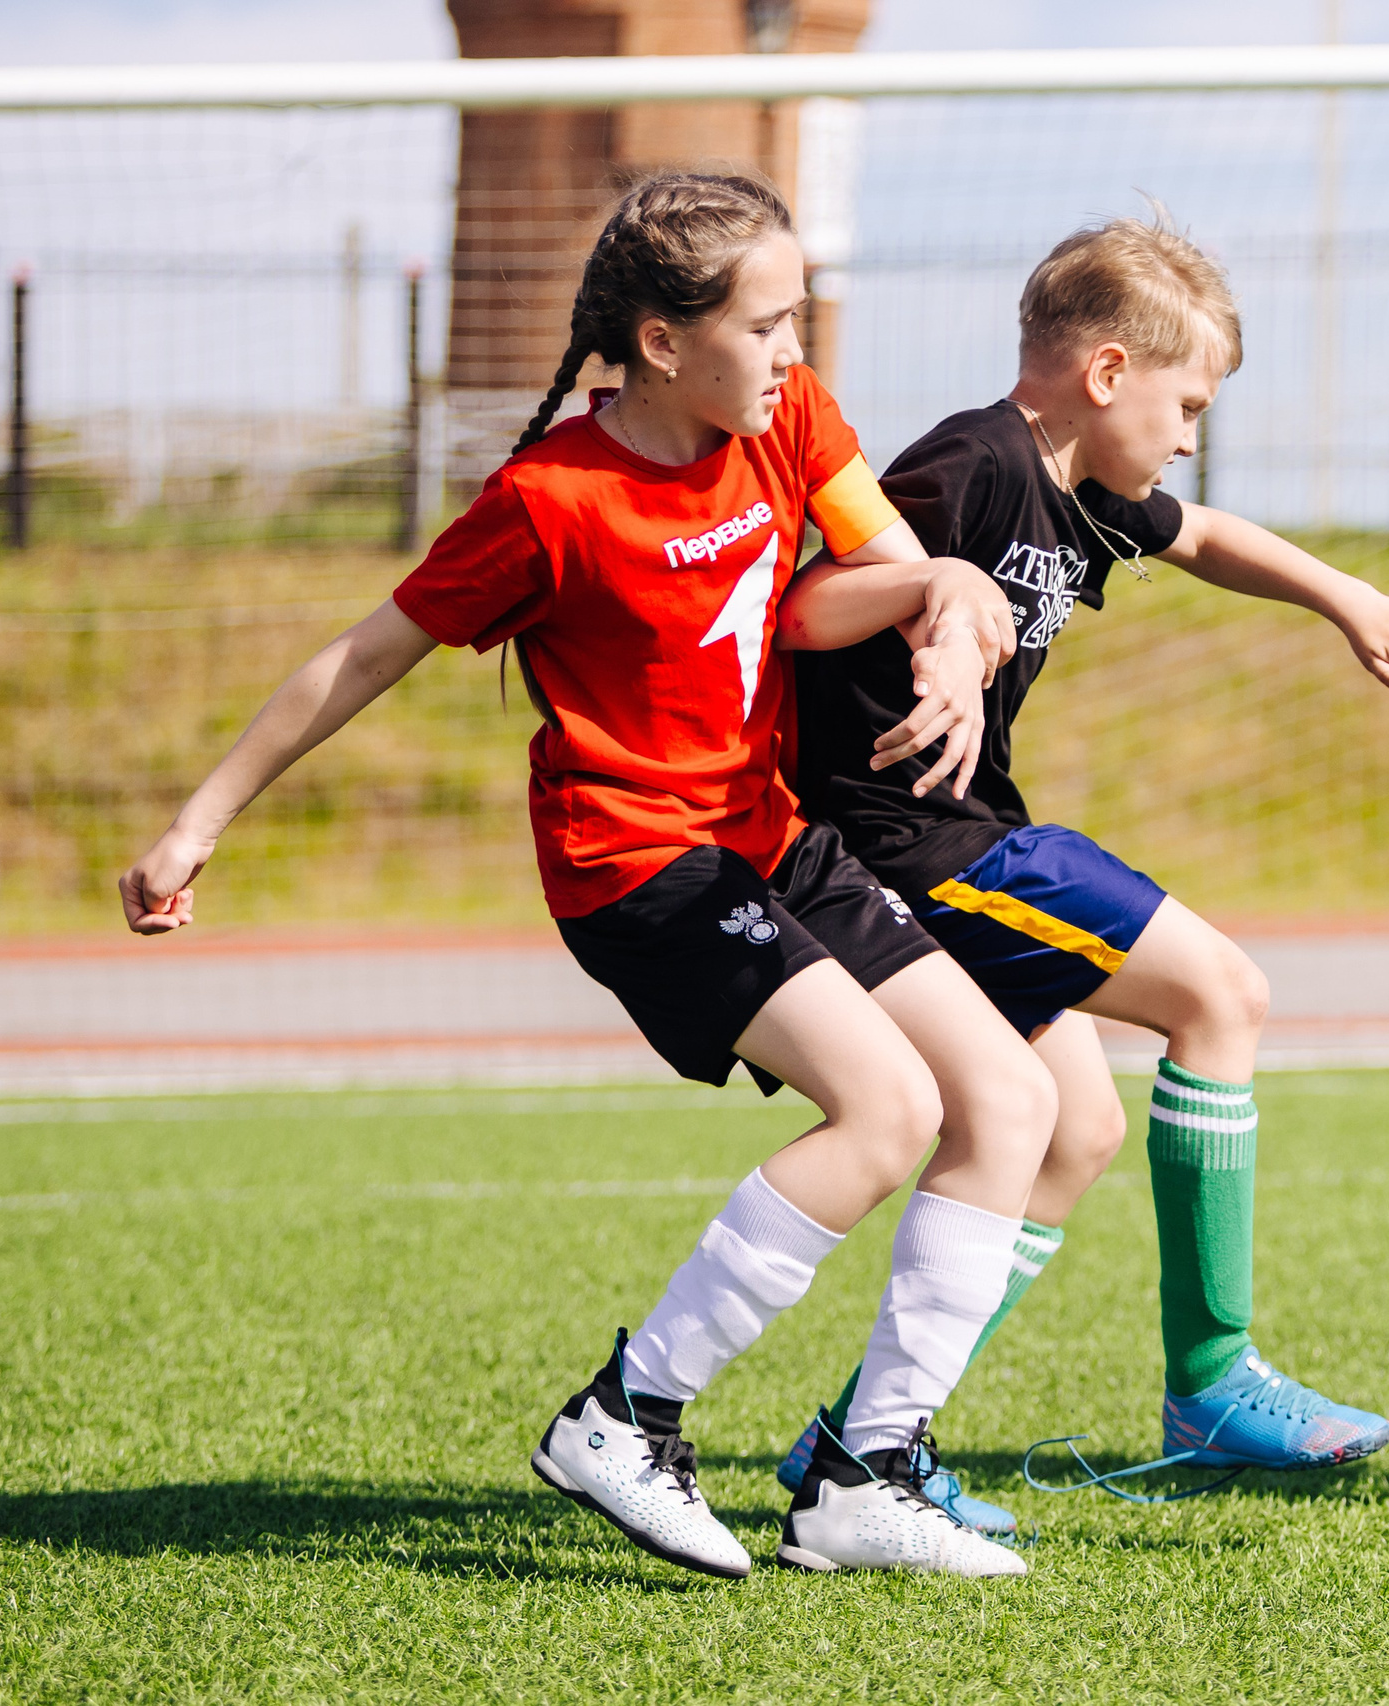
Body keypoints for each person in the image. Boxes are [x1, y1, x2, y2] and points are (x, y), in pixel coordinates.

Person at [117, 173, 1053, 1580]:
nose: (798, 347)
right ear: (666, 342)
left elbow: (878, 562)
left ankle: (871, 1472)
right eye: (769, 320)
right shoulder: (549, 500)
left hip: (769, 828)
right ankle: (627, 1415)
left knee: (1013, 1095)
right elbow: (363, 655)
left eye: (801, 315)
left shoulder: (785, 414)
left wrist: (945, 599)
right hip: (636, 859)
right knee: (888, 1104)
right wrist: (197, 821)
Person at [775, 209, 1389, 1525]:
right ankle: (1210, 1372)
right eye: (1188, 399)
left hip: (970, 836)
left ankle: (861, 1442)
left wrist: (1350, 600)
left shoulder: (1082, 489)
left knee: (1076, 1129)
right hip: (910, 845)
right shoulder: (970, 462)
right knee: (1223, 994)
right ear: (1106, 374)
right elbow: (815, 605)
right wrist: (939, 592)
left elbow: (1202, 534)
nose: (1192, 431)